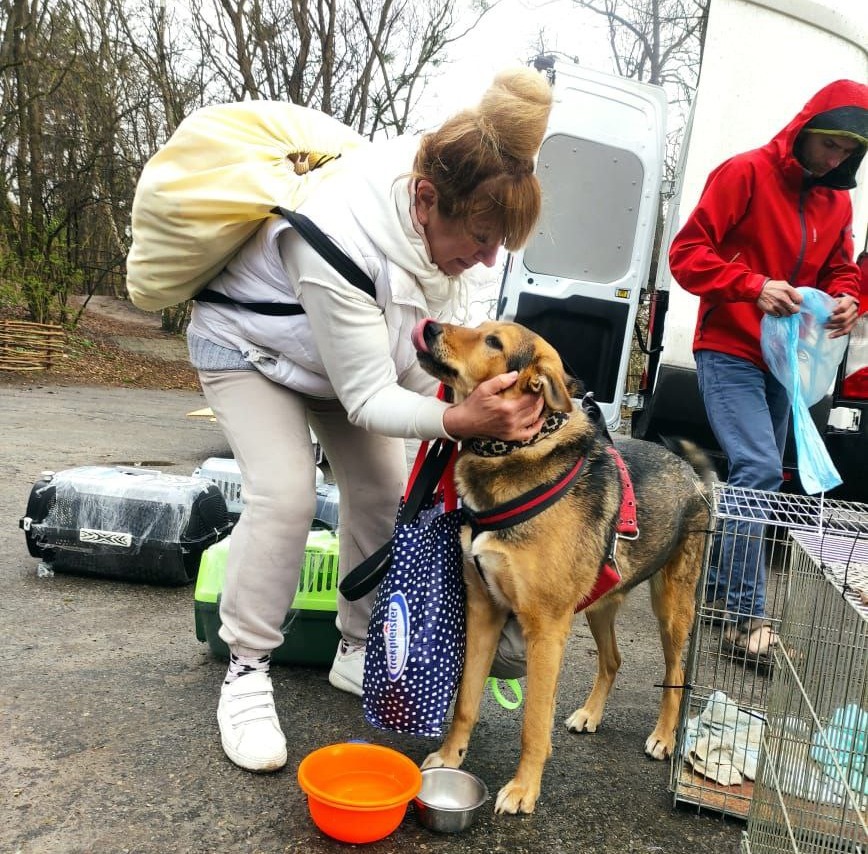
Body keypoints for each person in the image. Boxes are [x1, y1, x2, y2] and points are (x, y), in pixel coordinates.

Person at [185, 67, 554, 772]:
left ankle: (359, 647)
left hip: (342, 359)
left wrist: (486, 400)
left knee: (387, 490)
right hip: (250, 348)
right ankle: (246, 669)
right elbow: (368, 399)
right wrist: (463, 421)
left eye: (498, 244)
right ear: (424, 199)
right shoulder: (337, 233)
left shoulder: (467, 209)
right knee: (287, 493)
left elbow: (424, 351)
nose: (487, 259)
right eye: (478, 239)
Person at [668, 79, 868, 665]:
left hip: (788, 362)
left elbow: (840, 269)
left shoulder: (838, 202)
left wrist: (847, 298)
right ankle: (744, 616)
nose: (835, 159)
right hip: (728, 347)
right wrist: (751, 286)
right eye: (828, 144)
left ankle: (714, 589)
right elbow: (686, 254)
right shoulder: (745, 174)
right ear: (805, 129)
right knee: (757, 467)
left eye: (847, 153)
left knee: (765, 474)